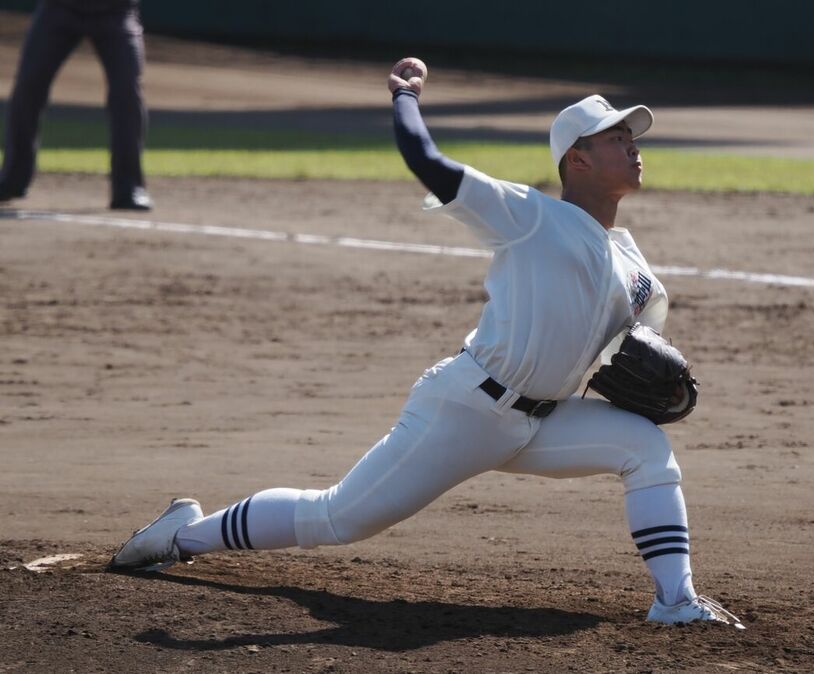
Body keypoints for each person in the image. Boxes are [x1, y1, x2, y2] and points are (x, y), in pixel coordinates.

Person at [109, 57, 743, 628]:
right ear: (576, 159)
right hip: (465, 409)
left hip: (542, 423)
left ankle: (675, 599)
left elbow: (626, 355)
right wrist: (405, 96)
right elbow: (427, 162)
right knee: (338, 518)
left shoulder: (637, 270)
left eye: (632, 138)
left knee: (646, 448)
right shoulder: (526, 215)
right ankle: (184, 534)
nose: (633, 148)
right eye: (616, 138)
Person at [0, 0, 151, 210]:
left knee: (127, 91)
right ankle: (12, 180)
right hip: (59, 9)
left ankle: (129, 188)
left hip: (116, 12)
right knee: (29, 85)